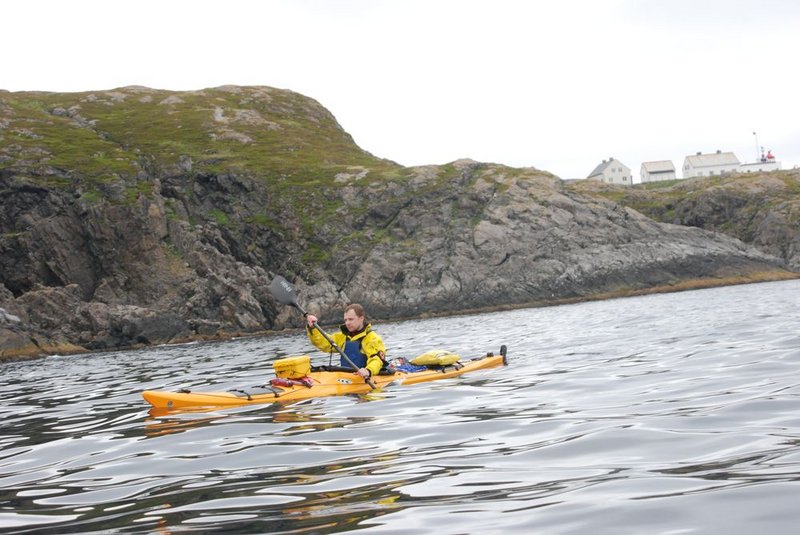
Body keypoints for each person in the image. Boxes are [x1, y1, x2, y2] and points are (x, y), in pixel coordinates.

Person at [305, 304, 386, 379]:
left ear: (361, 318)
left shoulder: (372, 338)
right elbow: (324, 343)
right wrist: (312, 328)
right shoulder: (343, 337)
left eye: (350, 319)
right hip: (346, 379)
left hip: (364, 378)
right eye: (345, 320)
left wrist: (368, 370)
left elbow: (377, 359)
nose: (347, 323)